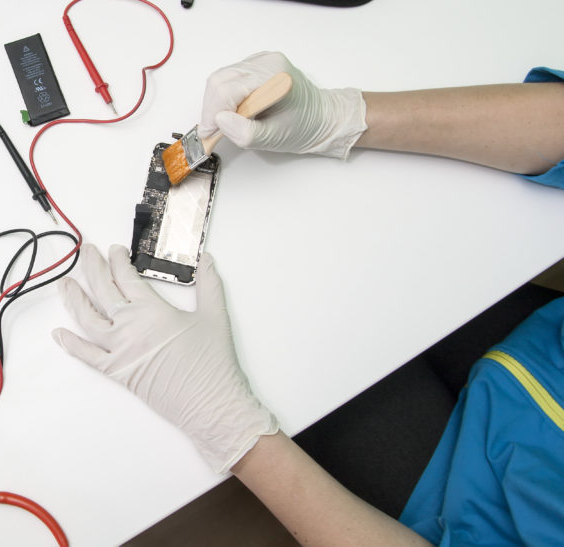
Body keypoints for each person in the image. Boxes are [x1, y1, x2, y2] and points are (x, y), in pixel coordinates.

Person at [53, 52, 564, 546]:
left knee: (290, 363)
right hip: (542, 351)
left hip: (462, 509)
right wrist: (342, 115)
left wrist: (234, 433)